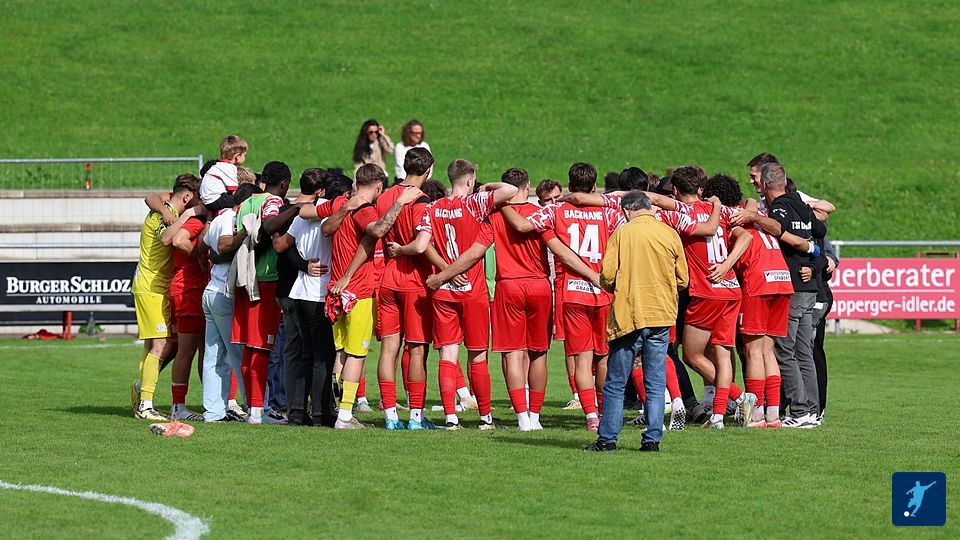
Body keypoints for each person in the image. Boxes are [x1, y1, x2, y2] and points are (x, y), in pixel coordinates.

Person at [430, 168, 598, 430]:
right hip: (539, 286)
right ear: (528, 186)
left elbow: (474, 253)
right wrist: (592, 275)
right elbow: (561, 252)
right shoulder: (540, 214)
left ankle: (522, 418)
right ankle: (536, 417)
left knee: (512, 354)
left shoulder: (495, 216)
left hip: (508, 287)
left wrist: (444, 275)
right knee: (538, 354)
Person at [391, 159, 517, 430]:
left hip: (443, 291)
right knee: (477, 355)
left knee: (447, 355)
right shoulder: (474, 203)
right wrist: (487, 186)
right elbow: (510, 190)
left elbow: (421, 245)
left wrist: (442, 274)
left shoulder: (433, 207)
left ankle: (450, 418)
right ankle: (485, 418)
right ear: (470, 180)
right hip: (472, 290)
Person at [500, 162, 623, 432]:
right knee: (603, 357)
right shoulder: (610, 211)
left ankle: (590, 416)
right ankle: (605, 412)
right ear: (594, 186)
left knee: (581, 359)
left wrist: (500, 203)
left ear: (569, 185)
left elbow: (522, 225)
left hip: (573, 291)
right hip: (604, 291)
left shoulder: (556, 210)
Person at [643, 166, 755, 429]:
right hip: (731, 289)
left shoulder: (680, 214)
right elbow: (746, 236)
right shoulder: (721, 210)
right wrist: (727, 264)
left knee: (692, 356)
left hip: (707, 291)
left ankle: (739, 396)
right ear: (701, 188)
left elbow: (656, 202)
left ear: (675, 189)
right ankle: (718, 416)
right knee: (722, 352)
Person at [585, 191, 688, 452]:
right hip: (661, 314)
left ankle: (608, 439)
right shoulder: (669, 234)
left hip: (628, 314)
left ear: (626, 211)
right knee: (655, 382)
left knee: (615, 383)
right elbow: (683, 279)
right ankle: (652, 440)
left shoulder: (622, 234)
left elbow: (607, 276)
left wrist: (622, 285)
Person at [326, 164, 421, 429]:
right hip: (359, 292)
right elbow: (377, 231)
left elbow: (324, 226)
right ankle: (345, 416)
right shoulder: (365, 210)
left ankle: (339, 409)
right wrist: (400, 202)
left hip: (336, 290)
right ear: (378, 185)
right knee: (356, 355)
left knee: (341, 354)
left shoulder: (342, 205)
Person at [703, 174, 792, 429]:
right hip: (782, 279)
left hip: (758, 282)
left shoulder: (729, 218)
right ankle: (774, 415)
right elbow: (753, 202)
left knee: (753, 351)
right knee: (767, 351)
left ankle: (757, 414)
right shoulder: (751, 211)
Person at [744, 162, 826, 428]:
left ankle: (800, 411)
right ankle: (812, 411)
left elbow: (777, 229)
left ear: (765, 184)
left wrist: (755, 217)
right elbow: (821, 231)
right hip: (809, 289)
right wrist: (813, 253)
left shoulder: (779, 207)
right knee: (804, 352)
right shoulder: (802, 205)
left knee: (784, 352)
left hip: (792, 286)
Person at [273, 171, 353, 427]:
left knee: (303, 354)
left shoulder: (304, 213)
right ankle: (320, 412)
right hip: (319, 293)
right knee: (323, 356)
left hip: (298, 291)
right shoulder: (334, 214)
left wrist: (301, 261)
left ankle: (297, 412)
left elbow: (283, 245)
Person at [230, 161, 299, 425]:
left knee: (249, 348)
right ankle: (258, 411)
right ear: (284, 183)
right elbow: (269, 226)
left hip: (244, 279)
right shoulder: (272, 201)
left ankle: (253, 407)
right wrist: (295, 208)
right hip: (265, 281)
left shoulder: (247, 202)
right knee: (261, 349)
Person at [130, 173, 200, 421]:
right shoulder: (167, 215)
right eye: (196, 200)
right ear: (188, 197)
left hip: (153, 286)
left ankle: (141, 392)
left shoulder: (165, 207)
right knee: (161, 345)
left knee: (154, 345)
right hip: (151, 287)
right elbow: (167, 238)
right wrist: (189, 216)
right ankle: (145, 405)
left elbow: (152, 197)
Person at [199, 183, 260, 422]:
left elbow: (203, 246)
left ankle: (214, 412)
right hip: (225, 293)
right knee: (238, 353)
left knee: (214, 357)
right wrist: (245, 234)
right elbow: (224, 244)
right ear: (244, 202)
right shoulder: (233, 219)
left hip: (211, 291)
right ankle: (253, 407)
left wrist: (214, 257)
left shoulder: (218, 219)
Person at [158, 193, 209, 421]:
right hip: (189, 290)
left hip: (194, 289)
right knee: (186, 350)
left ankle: (211, 403)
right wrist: (198, 255)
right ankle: (178, 406)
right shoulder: (197, 221)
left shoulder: (201, 218)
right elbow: (178, 241)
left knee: (204, 350)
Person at [200, 135, 248, 214]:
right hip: (215, 200)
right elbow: (234, 191)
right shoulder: (229, 168)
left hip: (207, 200)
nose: (244, 157)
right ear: (237, 156)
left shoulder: (217, 166)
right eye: (244, 155)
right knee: (242, 200)